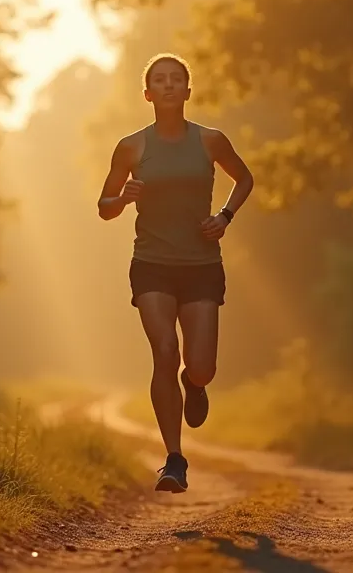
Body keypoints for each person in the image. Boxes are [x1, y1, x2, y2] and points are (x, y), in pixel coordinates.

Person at [96, 53, 254, 493]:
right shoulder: (131, 147)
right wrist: (124, 198)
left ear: (187, 90)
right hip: (151, 265)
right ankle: (174, 460)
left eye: (176, 80)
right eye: (159, 81)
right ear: (147, 94)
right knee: (164, 350)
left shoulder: (210, 140)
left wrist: (224, 217)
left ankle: (194, 384)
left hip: (201, 265)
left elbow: (244, 179)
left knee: (200, 366)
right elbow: (104, 208)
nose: (167, 86)